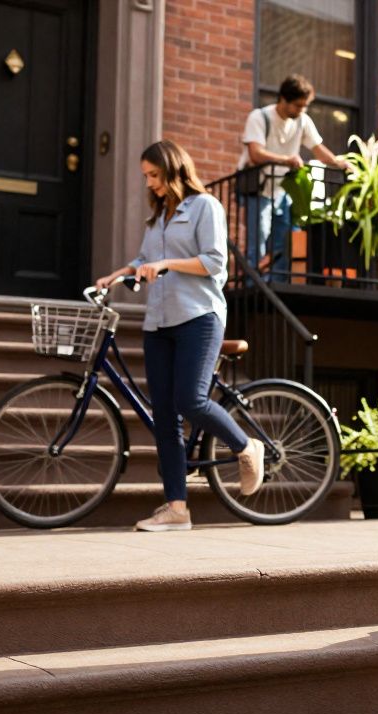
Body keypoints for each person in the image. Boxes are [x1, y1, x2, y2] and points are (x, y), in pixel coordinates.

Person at [96, 140, 265, 532]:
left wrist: (167, 263)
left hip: (198, 316)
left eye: (153, 175)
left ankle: (245, 445)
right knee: (165, 417)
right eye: (146, 177)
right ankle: (176, 508)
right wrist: (118, 275)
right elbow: (143, 261)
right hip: (159, 322)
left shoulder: (205, 206)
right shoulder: (157, 218)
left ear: (172, 170)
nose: (149, 183)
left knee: (190, 399)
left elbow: (215, 263)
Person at [237, 74, 350, 280]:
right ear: (283, 99)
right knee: (258, 240)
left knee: (284, 241)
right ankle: (253, 286)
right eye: (298, 105)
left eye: (305, 106)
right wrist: (287, 159)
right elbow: (255, 153)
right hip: (259, 188)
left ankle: (278, 284)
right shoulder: (259, 117)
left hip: (284, 189)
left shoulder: (302, 121)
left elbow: (318, 149)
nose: (302, 110)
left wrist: (339, 163)